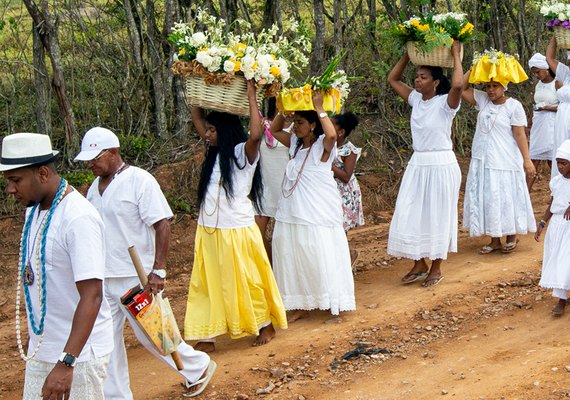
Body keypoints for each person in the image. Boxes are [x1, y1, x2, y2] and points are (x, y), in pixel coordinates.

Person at [74, 127, 214, 399]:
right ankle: (116, 394)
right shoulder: (93, 188)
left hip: (135, 277)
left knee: (152, 333)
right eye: (88, 159)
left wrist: (158, 269)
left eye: (95, 158)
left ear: (113, 152)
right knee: (106, 340)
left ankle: (198, 368)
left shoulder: (140, 180)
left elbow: (162, 223)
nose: (90, 164)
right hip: (104, 277)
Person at [1, 133, 113, 399]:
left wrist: (66, 363)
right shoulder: (34, 210)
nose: (9, 190)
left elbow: (92, 295)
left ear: (42, 173)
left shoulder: (78, 217)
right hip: (44, 350)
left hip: (78, 357)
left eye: (15, 180)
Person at [184, 80, 287, 353]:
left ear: (226, 132)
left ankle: (265, 324)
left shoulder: (243, 153)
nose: (207, 134)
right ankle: (208, 333)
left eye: (212, 130)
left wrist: (252, 95)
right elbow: (196, 116)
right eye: (207, 130)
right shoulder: (213, 152)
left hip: (238, 230)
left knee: (247, 280)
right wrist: (195, 81)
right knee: (206, 283)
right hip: (208, 229)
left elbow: (255, 134)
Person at [270, 91, 356, 322]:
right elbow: (274, 130)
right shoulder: (295, 145)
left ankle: (331, 304)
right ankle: (301, 302)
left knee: (318, 252)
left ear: (312, 126)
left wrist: (319, 108)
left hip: (316, 212)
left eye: (299, 123)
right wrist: (282, 110)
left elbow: (330, 133)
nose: (295, 127)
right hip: (292, 210)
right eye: (295, 122)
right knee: (293, 254)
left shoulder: (323, 145)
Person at [386, 40, 464, 287]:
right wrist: (408, 56)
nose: (417, 81)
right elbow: (393, 80)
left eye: (423, 77)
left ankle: (436, 266)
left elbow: (459, 84)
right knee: (412, 212)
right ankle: (419, 263)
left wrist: (455, 54)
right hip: (418, 163)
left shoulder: (447, 103)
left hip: (441, 164)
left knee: (438, 215)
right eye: (417, 77)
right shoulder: (416, 100)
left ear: (436, 82)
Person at [462, 66, 536, 254]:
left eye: (495, 86)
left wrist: (527, 160)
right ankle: (495, 239)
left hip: (506, 159)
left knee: (505, 196)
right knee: (490, 197)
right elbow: (460, 88)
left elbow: (520, 134)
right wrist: (476, 67)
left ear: (504, 87)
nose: (491, 90)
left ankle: (511, 236)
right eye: (488, 86)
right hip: (484, 158)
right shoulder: (482, 100)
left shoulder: (514, 106)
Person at [535, 139, 570, 317]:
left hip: (569, 228)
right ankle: (563, 292)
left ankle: (561, 301)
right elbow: (552, 204)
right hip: (556, 225)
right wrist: (542, 222)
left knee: (565, 261)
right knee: (557, 261)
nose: (560, 167)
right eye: (558, 163)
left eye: (564, 163)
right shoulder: (556, 182)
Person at [255, 97, 292, 262]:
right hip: (265, 190)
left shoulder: (295, 129)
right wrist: (260, 132)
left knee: (284, 239)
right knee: (256, 234)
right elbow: (249, 151)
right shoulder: (261, 126)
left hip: (286, 191)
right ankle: (271, 269)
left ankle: (283, 274)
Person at [331, 111, 365, 266]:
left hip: (343, 194)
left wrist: (328, 165)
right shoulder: (326, 146)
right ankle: (341, 259)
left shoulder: (348, 150)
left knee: (340, 229)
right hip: (329, 191)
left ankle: (345, 259)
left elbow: (346, 175)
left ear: (341, 132)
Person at [527, 53, 559, 191]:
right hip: (538, 123)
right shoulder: (538, 85)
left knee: (553, 161)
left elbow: (564, 106)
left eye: (538, 72)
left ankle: (558, 193)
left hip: (552, 125)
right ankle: (524, 195)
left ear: (546, 68)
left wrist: (547, 108)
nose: (537, 75)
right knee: (534, 158)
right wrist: (529, 123)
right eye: (534, 73)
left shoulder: (557, 83)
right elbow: (535, 104)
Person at [547, 37, 570, 179]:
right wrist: (555, 35)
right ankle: (560, 189)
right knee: (562, 152)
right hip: (562, 121)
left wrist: (562, 88)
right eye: (569, 63)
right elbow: (549, 58)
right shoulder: (566, 75)